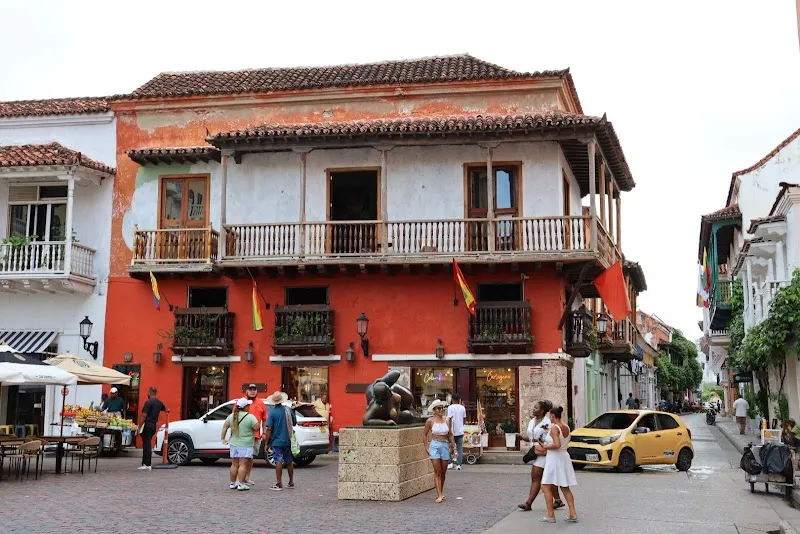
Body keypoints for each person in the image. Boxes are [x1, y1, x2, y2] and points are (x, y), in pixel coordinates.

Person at [516, 400, 564, 512]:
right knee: (547, 478)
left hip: (544, 453)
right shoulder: (532, 421)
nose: (533, 409)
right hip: (536, 452)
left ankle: (528, 503)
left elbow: (550, 438)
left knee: (536, 477)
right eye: (533, 407)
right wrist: (522, 437)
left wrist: (545, 447)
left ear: (542, 411)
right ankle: (558, 500)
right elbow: (533, 437)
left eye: (536, 408)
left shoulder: (547, 423)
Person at [539, 406, 578, 524]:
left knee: (545, 486)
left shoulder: (555, 428)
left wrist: (545, 446)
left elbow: (556, 444)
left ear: (552, 415)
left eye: (549, 416)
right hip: (564, 457)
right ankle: (573, 513)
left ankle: (550, 515)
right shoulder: (566, 426)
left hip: (554, 458)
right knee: (564, 486)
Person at [222, 398, 259, 491]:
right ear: (245, 407)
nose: (249, 406)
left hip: (234, 443)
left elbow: (225, 427)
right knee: (243, 464)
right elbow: (257, 427)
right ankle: (241, 484)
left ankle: (232, 483)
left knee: (234, 464)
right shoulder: (250, 417)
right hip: (246, 444)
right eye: (248, 405)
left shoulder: (232, 416)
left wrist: (223, 438)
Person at [423, 399, 456, 504]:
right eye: (438, 408)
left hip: (445, 445)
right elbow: (424, 434)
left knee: (443, 471)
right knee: (437, 471)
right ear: (434, 410)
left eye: (442, 408)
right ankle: (439, 494)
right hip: (435, 445)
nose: (441, 410)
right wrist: (427, 448)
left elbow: (450, 434)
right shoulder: (430, 421)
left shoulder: (447, 420)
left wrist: (453, 447)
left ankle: (441, 491)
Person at [264, 391, 297, 491]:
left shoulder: (272, 412)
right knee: (289, 461)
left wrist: (266, 443)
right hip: (288, 440)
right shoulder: (288, 410)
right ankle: (291, 482)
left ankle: (279, 483)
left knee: (278, 460)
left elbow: (269, 428)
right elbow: (294, 423)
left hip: (276, 441)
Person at [138, 387, 168, 471]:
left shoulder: (148, 402)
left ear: (150, 392)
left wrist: (139, 426)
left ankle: (147, 464)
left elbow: (144, 415)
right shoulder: (159, 402)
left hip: (147, 424)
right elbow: (166, 409)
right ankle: (146, 463)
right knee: (147, 443)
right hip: (153, 425)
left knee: (146, 445)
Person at [242, 384, 266, 486]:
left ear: (256, 391)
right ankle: (240, 478)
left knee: (251, 457)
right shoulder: (242, 402)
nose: (252, 391)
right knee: (243, 457)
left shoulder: (261, 403)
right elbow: (234, 416)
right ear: (246, 391)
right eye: (250, 389)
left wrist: (264, 432)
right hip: (243, 435)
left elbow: (264, 419)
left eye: (254, 390)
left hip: (256, 435)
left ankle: (247, 477)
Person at [447, 394, 466, 470]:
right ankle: (459, 464)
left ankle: (450, 462)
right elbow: (464, 419)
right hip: (460, 430)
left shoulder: (450, 407)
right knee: (460, 447)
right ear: (459, 400)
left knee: (449, 446)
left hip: (452, 431)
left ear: (452, 399)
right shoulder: (462, 408)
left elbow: (449, 419)